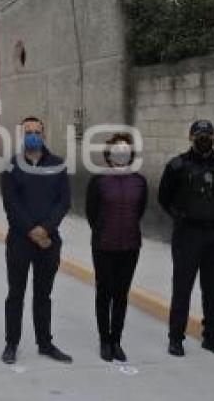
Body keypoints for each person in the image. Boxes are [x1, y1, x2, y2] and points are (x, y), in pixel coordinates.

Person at [158, 120, 214, 358]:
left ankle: (211, 338)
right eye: (199, 134)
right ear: (190, 137)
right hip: (187, 235)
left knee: (213, 288)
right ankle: (176, 338)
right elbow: (164, 197)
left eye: (208, 134)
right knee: (182, 287)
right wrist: (181, 217)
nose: (204, 138)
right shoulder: (177, 166)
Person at [1, 116, 72, 365]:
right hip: (20, 241)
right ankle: (11, 344)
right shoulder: (11, 165)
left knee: (43, 295)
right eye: (28, 131)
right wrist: (32, 231)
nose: (33, 135)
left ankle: (45, 343)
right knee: (15, 294)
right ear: (22, 136)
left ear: (44, 135)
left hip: (49, 242)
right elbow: (11, 204)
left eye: (37, 132)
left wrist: (46, 229)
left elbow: (64, 202)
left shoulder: (58, 164)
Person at [85, 133, 147, 363]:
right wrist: (103, 230)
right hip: (104, 245)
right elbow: (92, 213)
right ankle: (104, 340)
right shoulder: (99, 180)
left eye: (126, 148)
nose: (122, 152)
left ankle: (116, 341)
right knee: (105, 292)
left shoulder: (139, 181)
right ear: (109, 153)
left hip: (130, 245)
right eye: (117, 148)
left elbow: (139, 211)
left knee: (121, 294)